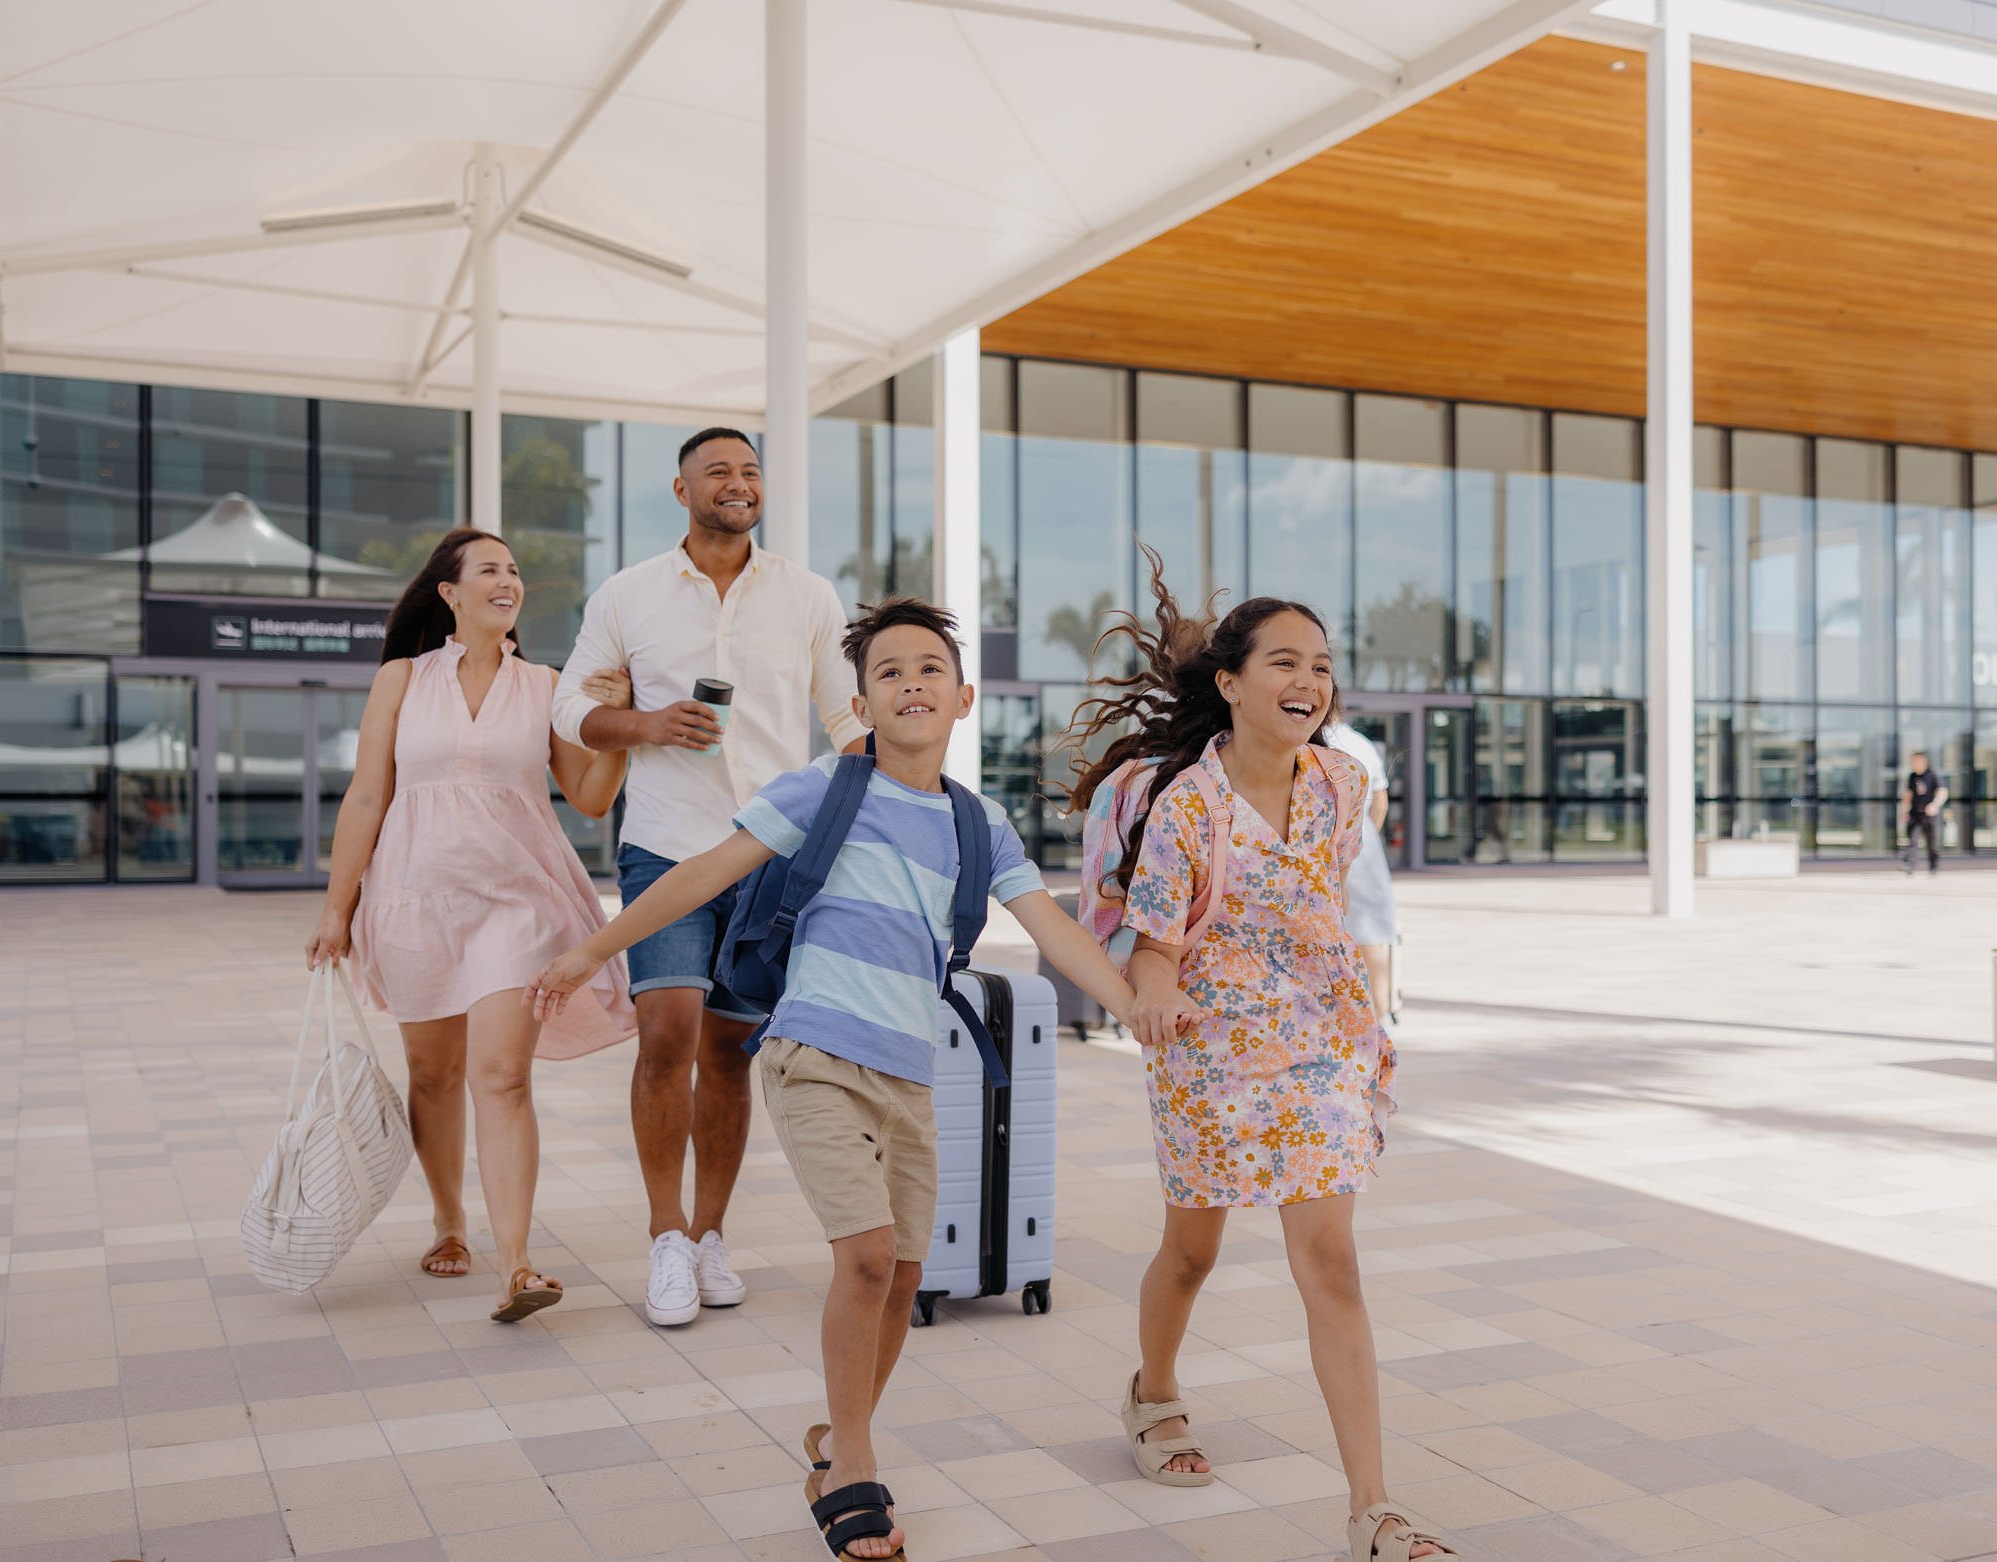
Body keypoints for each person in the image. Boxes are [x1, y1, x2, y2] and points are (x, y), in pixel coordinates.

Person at [529, 598, 1194, 1562]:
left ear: (964, 697)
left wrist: (1136, 1003)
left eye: (929, 668)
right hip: (812, 1055)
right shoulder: (820, 790)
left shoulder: (979, 824)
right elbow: (701, 875)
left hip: (910, 1072)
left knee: (909, 1273)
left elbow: (1051, 927)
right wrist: (587, 951)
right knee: (870, 1257)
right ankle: (855, 1470)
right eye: (889, 671)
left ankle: (837, 1438)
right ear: (860, 702)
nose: (911, 682)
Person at [1066, 574, 1459, 1562]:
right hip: (1207, 1054)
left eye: (1321, 665)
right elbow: (1155, 939)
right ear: (1232, 683)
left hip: (1319, 1048)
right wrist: (1152, 987)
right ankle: (1152, 1388)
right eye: (1283, 660)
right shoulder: (1188, 807)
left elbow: (1327, 906)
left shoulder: (1343, 786)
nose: (1308, 680)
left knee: (1330, 1258)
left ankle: (1373, 1508)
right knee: (1192, 1250)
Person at [552, 427, 865, 1328]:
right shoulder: (628, 595)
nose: (739, 483)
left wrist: (884, 805)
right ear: (681, 487)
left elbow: (846, 719)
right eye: (719, 471)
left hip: (776, 853)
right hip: (666, 844)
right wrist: (647, 726)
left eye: (751, 471)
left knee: (730, 1051)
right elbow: (570, 708)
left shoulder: (807, 595)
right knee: (667, 1035)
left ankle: (710, 1237)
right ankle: (663, 1241)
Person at [305, 528, 636, 1323]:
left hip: (518, 903)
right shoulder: (400, 680)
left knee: (502, 1074)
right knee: (433, 1075)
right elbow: (366, 797)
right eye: (490, 569)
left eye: (516, 571)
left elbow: (588, 797)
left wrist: (618, 727)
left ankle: (518, 1265)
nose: (508, 580)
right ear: (449, 593)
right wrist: (335, 907)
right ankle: (449, 1221)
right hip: (414, 898)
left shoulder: (545, 684)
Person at [1321, 719, 1401, 1025]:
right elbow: (1379, 802)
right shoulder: (1361, 744)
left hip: (1324, 845)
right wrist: (1361, 837)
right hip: (1363, 847)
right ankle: (1379, 1020)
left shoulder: (1303, 741)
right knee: (1372, 939)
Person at [1901, 749, 1948, 876]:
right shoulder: (1912, 776)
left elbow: (1942, 792)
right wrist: (1904, 811)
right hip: (1916, 813)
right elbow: (1908, 795)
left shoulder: (1932, 775)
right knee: (1913, 840)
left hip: (1930, 815)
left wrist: (1934, 805)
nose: (1913, 763)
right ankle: (1909, 865)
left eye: (1916, 761)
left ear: (1923, 761)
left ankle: (1934, 866)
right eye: (1912, 761)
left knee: (1932, 843)